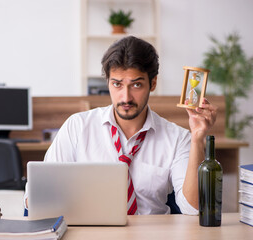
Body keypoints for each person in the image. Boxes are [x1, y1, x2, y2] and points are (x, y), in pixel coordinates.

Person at [24, 36, 217, 215]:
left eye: (136, 85)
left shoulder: (178, 138)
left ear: (153, 83)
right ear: (107, 82)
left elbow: (193, 209)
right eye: (117, 84)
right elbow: (37, 196)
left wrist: (197, 137)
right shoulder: (77, 127)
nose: (125, 97)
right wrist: (37, 198)